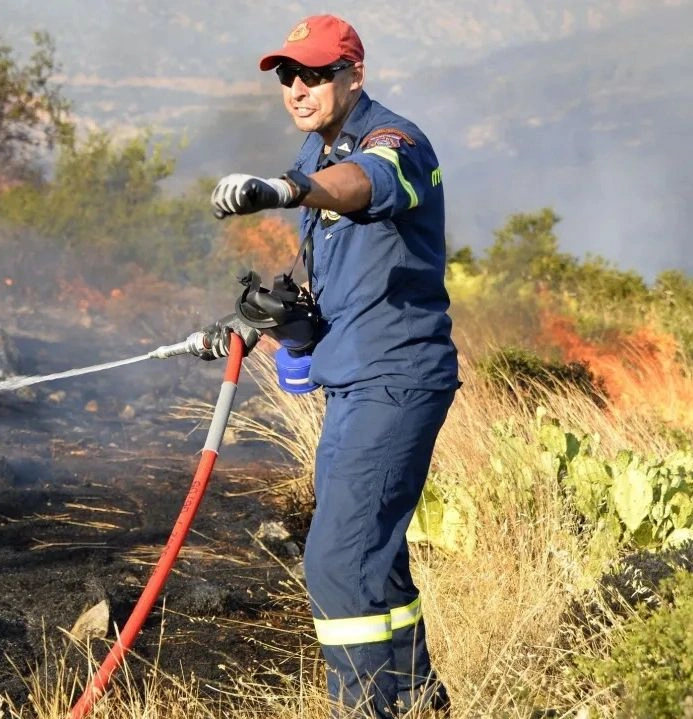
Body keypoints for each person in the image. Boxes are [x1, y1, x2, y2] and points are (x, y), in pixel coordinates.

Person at [203, 14, 460, 719]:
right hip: (352, 384)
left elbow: (364, 184)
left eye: (315, 72)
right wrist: (243, 327)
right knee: (374, 557)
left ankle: (361, 708)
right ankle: (416, 701)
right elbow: (315, 297)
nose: (297, 87)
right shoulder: (319, 160)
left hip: (395, 378)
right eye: (288, 74)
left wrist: (284, 191)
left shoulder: (393, 142)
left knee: (336, 561)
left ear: (354, 74)